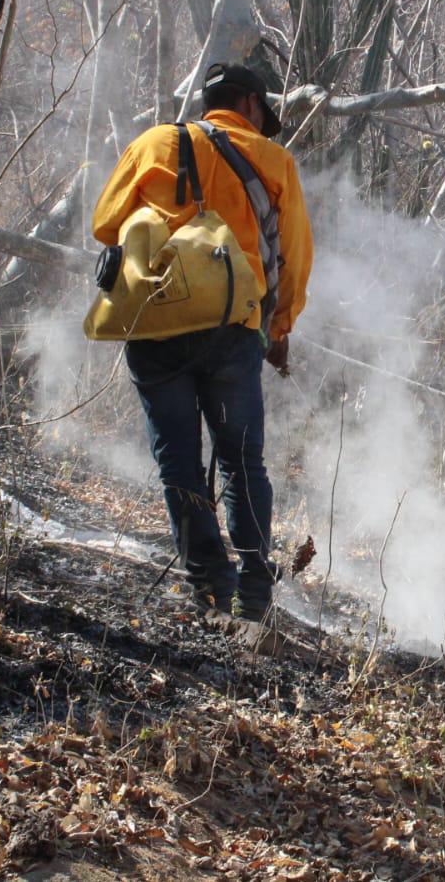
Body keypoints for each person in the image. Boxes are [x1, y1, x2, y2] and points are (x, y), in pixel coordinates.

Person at [92, 63, 312, 621]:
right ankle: (253, 592)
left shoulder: (153, 143)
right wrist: (279, 329)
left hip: (155, 322)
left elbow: (103, 223)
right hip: (232, 328)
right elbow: (293, 255)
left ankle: (211, 585)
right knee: (241, 461)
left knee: (179, 466)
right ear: (251, 103)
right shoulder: (271, 158)